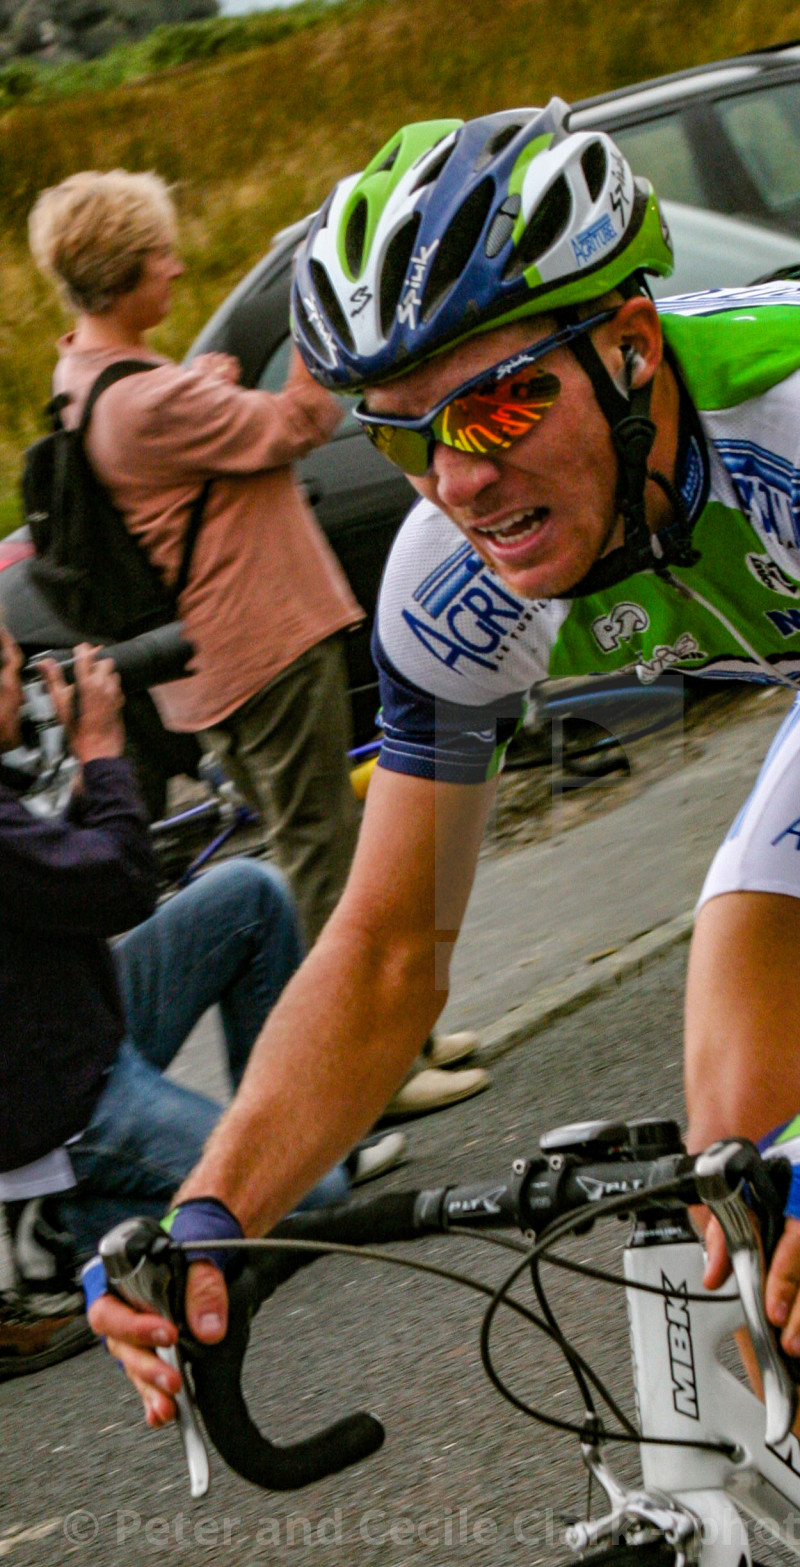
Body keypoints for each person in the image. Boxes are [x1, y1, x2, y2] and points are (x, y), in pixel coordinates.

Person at [90, 107, 800, 1509]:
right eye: (404, 439)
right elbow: (393, 947)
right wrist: (214, 1210)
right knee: (749, 1184)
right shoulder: (449, 586)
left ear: (630, 349)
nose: (458, 480)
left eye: (498, 406)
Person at [27, 168, 487, 1120]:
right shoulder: (145, 401)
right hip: (261, 645)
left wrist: (201, 387)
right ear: (123, 275)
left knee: (323, 834)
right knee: (321, 847)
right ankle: (377, 1073)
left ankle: (399, 1031)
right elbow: (301, 422)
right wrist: (316, 327)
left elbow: (172, 439)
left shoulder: (88, 378)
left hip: (214, 660)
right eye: (161, 256)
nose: (179, 264)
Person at [0, 623, 403, 1380]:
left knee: (247, 895)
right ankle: (67, 1223)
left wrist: (65, 750)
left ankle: (287, 1119)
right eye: (4, 666)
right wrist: (98, 748)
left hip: (77, 1020)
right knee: (314, 1192)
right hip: (60, 1103)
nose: (21, 671)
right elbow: (117, 880)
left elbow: (79, 850)